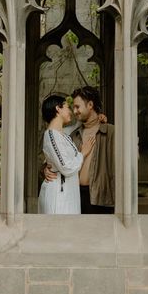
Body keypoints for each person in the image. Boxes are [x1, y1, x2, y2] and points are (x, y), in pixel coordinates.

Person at [44, 86, 115, 214]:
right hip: (73, 196)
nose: (74, 111)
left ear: (90, 105)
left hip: (100, 199)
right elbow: (56, 157)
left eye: (77, 107)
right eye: (72, 107)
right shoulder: (72, 134)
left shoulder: (110, 132)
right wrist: (46, 169)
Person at [38, 94, 96, 214]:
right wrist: (83, 154)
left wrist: (98, 117)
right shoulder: (51, 135)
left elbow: (78, 124)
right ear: (58, 109)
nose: (71, 111)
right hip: (58, 196)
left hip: (68, 195)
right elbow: (66, 167)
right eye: (67, 107)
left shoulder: (62, 134)